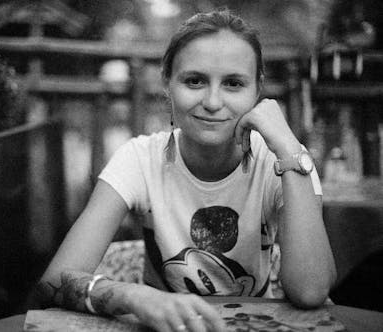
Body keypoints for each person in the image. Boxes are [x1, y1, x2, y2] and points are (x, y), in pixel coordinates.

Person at [31, 9, 337, 332]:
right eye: (195, 81)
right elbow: (53, 282)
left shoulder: (287, 161)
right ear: (167, 83)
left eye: (233, 83)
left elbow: (311, 290)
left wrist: (290, 149)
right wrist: (134, 297)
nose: (213, 101)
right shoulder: (139, 159)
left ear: (257, 89)